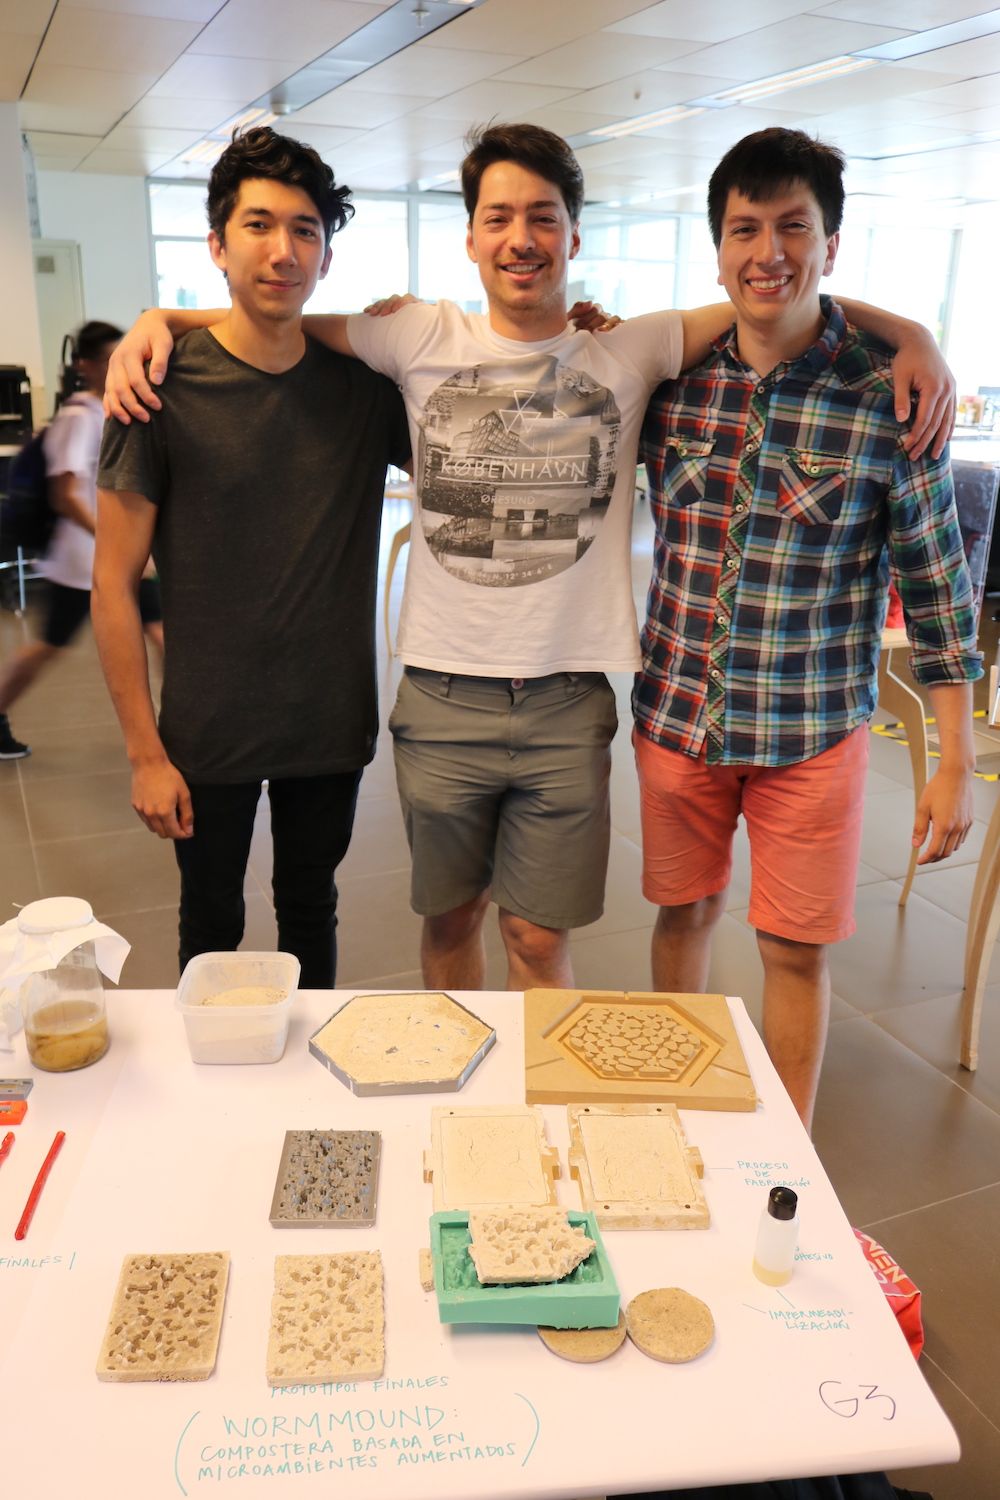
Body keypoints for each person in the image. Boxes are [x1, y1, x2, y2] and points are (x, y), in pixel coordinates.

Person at [103, 123, 957, 994]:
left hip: (567, 703)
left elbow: (779, 301)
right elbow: (272, 313)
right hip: (440, 699)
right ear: (470, 237)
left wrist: (913, 334)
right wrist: (162, 317)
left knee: (538, 944)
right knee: (444, 927)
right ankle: (458, 1115)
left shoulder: (635, 348)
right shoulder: (415, 338)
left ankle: (536, 1118)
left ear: (574, 237)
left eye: (544, 217)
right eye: (499, 217)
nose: (521, 238)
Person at [635, 127, 982, 1131]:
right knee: (683, 914)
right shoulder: (673, 378)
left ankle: (780, 1164)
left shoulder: (888, 396)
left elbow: (935, 582)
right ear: (716, 246)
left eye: (794, 227)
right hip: (679, 717)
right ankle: (672, 1121)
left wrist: (953, 755)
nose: (767, 251)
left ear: (831, 242)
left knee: (793, 950)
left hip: (811, 734)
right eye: (744, 228)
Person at [92, 128, 410, 985]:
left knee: (312, 906)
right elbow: (113, 586)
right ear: (217, 244)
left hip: (329, 722)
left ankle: (304, 1103)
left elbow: (480, 383)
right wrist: (142, 753)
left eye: (305, 230)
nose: (283, 251)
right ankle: (216, 1102)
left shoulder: (365, 393)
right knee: (212, 919)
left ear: (327, 255)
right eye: (260, 226)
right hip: (207, 728)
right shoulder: (157, 387)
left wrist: (575, 330)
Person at [0, 321, 163, 760]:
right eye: (109, 357)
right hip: (81, 561)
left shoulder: (107, 408)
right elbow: (66, 494)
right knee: (47, 647)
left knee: (162, 632)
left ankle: (183, 729)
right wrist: (112, 537)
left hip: (111, 555)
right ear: (86, 366)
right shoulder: (77, 417)